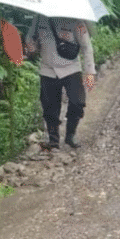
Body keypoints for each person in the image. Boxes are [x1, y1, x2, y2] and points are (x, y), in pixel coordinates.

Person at [25, 14, 96, 150]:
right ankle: (53, 141)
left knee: (78, 102)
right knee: (49, 106)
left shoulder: (76, 21)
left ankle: (70, 135)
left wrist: (90, 72)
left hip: (71, 68)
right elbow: (29, 37)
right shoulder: (39, 19)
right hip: (47, 69)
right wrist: (32, 46)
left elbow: (87, 47)